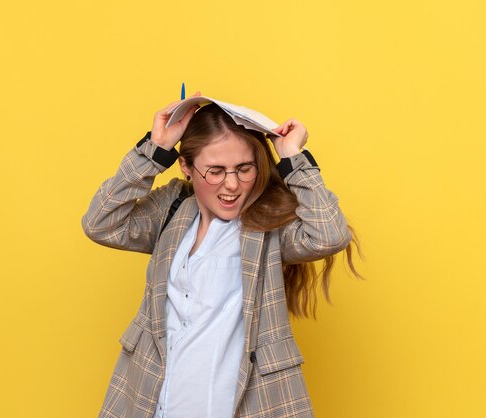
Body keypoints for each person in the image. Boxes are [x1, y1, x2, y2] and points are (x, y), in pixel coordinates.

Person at [82, 93, 362, 418]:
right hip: (155, 401)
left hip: (235, 405)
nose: (231, 185)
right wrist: (154, 150)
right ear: (186, 167)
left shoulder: (267, 225)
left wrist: (292, 157)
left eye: (244, 169)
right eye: (214, 171)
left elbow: (331, 234)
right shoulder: (172, 209)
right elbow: (100, 223)